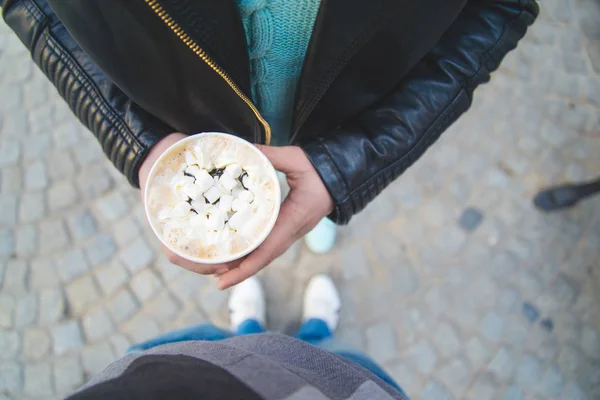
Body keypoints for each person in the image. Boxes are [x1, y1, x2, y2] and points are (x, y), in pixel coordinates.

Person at [1, 0, 539, 289]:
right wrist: (137, 138)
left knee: (321, 213)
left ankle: (321, 220)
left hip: (349, 111)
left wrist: (346, 166)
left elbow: (500, 7)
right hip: (192, 127)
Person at [66, 275, 408, 399]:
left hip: (159, 376)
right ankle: (316, 330)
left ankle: (247, 327)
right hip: (332, 390)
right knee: (331, 361)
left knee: (219, 343)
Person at [533, 176, 600, 212]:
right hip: (567, 190)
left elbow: (560, 207)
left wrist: (571, 204)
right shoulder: (541, 194)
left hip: (568, 198)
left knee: (587, 193)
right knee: (586, 185)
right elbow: (553, 188)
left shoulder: (546, 208)